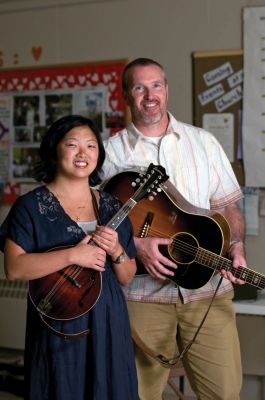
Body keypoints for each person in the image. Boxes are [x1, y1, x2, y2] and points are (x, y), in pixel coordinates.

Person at [99, 58, 247, 400]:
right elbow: (93, 225)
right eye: (139, 87)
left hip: (206, 293)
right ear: (125, 95)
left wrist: (236, 246)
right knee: (135, 395)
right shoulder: (108, 153)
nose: (149, 95)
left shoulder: (204, 142)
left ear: (166, 89)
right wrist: (134, 245)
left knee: (224, 393)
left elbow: (227, 205)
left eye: (156, 86)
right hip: (140, 298)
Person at [0, 115, 138, 400]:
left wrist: (116, 251)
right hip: (59, 323)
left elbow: (126, 276)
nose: (82, 154)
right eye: (72, 145)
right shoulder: (30, 206)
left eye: (91, 146)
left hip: (109, 322)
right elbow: (14, 268)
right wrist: (74, 254)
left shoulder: (113, 205)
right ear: (55, 149)